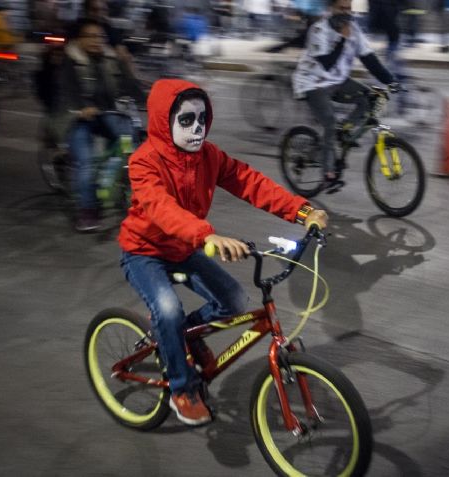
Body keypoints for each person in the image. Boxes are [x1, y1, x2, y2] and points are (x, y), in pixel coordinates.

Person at [118, 78, 329, 426]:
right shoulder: (144, 162)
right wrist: (207, 237)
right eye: (186, 120)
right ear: (163, 121)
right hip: (145, 252)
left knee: (233, 299)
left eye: (202, 118)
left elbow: (249, 182)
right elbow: (160, 208)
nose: (197, 127)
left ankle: (181, 338)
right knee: (168, 311)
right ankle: (182, 390)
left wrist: (303, 211)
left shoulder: (208, 157)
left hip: (185, 247)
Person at [292, 0, 397, 188]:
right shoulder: (319, 30)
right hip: (313, 83)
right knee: (330, 123)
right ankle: (328, 174)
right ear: (330, 9)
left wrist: (391, 80)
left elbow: (369, 58)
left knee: (371, 99)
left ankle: (344, 133)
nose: (346, 13)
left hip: (337, 81)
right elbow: (327, 63)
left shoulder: (353, 29)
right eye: (341, 8)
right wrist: (342, 39)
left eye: (349, 9)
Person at [56, 18, 138, 232]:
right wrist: (81, 107)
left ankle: (115, 184)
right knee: (87, 162)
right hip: (77, 118)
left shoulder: (110, 59)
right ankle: (87, 212)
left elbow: (129, 85)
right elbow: (66, 90)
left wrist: (148, 95)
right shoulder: (69, 61)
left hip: (105, 113)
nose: (96, 40)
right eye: (90, 36)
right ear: (79, 40)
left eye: (99, 36)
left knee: (131, 143)